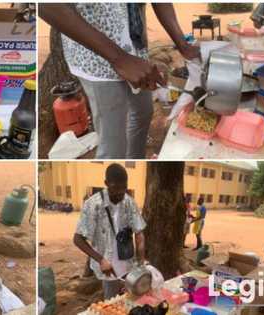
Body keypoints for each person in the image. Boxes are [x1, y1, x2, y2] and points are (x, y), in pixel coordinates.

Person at [40, 4, 200, 158]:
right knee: (113, 146)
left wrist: (183, 44)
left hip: (136, 51)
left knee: (143, 113)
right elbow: (47, 6)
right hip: (97, 60)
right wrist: (120, 59)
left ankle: (134, 158)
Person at [73, 163, 146, 299]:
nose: (119, 192)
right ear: (106, 183)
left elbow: (139, 233)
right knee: (112, 304)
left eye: (123, 188)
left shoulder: (129, 202)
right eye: (115, 188)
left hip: (129, 265)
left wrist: (141, 261)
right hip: (108, 268)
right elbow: (78, 239)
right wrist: (101, 260)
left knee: (132, 300)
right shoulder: (93, 205)